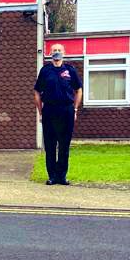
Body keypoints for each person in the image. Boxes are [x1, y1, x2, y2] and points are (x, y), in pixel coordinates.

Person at [33, 43, 83, 186]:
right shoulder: (45, 71)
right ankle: (52, 177)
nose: (56, 52)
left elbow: (78, 90)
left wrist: (75, 109)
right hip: (49, 110)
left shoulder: (70, 70)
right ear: (50, 53)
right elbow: (36, 92)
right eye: (54, 50)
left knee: (64, 145)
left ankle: (62, 177)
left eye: (59, 50)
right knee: (50, 145)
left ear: (64, 53)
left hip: (66, 111)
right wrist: (40, 112)